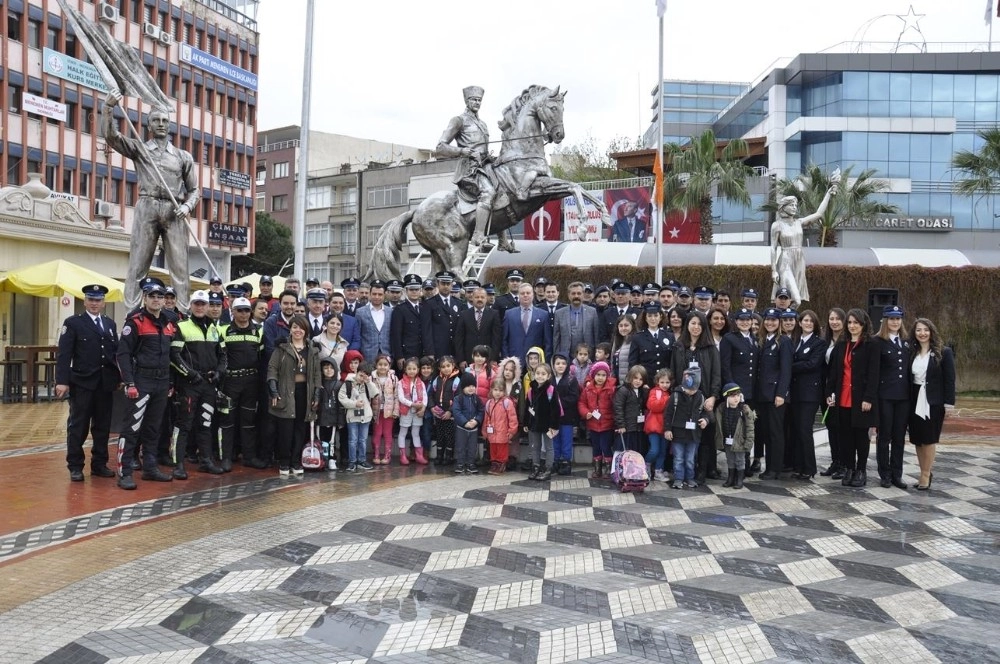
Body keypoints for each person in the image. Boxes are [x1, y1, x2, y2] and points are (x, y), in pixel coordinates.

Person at [102, 90, 199, 310]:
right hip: (148, 206)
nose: (161, 124)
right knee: (138, 264)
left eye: (165, 120)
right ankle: (132, 313)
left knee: (180, 268)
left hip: (175, 209)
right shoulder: (140, 149)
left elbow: (194, 190)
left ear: (170, 124)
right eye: (156, 120)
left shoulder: (183, 156)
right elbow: (112, 137)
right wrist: (108, 109)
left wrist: (187, 205)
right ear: (149, 125)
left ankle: (182, 313)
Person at [115, 277, 177, 489]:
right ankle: (124, 472)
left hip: (162, 381)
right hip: (141, 381)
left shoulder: (169, 322)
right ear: (145, 297)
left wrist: (170, 382)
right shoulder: (136, 321)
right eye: (152, 296)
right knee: (132, 428)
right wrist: (129, 382)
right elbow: (123, 355)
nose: (157, 299)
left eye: (161, 296)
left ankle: (150, 467)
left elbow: (172, 355)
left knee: (153, 428)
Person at [56, 284, 120, 481]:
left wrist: (119, 378)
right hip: (82, 383)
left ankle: (99, 464)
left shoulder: (110, 324)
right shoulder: (74, 322)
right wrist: (62, 381)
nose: (94, 303)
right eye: (91, 300)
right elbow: (64, 355)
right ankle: (75, 466)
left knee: (102, 426)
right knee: (78, 426)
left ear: (103, 303)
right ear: (85, 302)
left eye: (98, 300)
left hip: (105, 384)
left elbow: (115, 354)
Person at [170, 289, 227, 476]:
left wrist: (219, 373)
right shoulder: (182, 326)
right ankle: (178, 464)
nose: (200, 307)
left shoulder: (214, 329)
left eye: (204, 304)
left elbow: (223, 356)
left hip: (209, 384)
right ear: (191, 306)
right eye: (197, 304)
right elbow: (174, 356)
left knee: (205, 423)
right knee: (183, 424)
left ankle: (206, 461)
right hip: (189, 384)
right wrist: (191, 374)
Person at [435, 85, 496, 246]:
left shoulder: (482, 124)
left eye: (479, 100)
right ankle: (478, 235)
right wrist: (464, 151)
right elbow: (440, 148)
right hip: (468, 170)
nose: (477, 102)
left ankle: (503, 240)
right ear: (466, 101)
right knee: (488, 192)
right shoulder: (459, 120)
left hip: (484, 167)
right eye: (474, 99)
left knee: (504, 190)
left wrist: (487, 156)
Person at [826, 308, 880, 488]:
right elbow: (833, 373)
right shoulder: (842, 345)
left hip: (861, 399)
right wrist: (829, 394)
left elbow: (874, 375)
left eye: (856, 323)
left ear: (863, 325)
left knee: (861, 437)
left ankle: (861, 470)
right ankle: (849, 468)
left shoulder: (871, 345)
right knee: (845, 436)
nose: (852, 326)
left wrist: (869, 398)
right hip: (842, 398)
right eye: (849, 322)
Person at [770, 170, 839, 307]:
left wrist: (828, 194)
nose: (795, 208)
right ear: (784, 207)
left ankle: (786, 322)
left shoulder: (799, 222)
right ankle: (784, 321)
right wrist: (773, 270)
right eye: (791, 205)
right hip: (785, 260)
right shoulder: (777, 225)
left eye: (796, 205)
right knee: (794, 299)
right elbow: (773, 248)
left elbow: (818, 214)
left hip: (799, 259)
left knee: (792, 299)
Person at [267, 316, 322, 475]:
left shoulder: (312, 349)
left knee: (300, 428)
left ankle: (296, 461)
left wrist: (317, 394)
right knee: (286, 429)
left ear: (306, 330)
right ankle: (284, 462)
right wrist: (273, 389)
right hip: (286, 392)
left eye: (301, 328)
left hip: (305, 393)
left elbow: (317, 374)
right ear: (290, 329)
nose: (298, 330)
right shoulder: (282, 348)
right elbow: (272, 369)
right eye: (294, 327)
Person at [908, 318, 955, 490]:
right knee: (918, 440)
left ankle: (926, 475)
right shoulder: (911, 352)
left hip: (933, 402)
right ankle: (923, 471)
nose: (922, 333)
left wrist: (949, 404)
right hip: (913, 400)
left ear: (932, 332)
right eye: (918, 330)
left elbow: (950, 380)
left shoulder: (944, 352)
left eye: (926, 330)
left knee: (929, 439)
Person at [218, 296, 263, 472]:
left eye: (246, 310)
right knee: (227, 421)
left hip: (251, 381)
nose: (243, 313)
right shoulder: (224, 330)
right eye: (240, 310)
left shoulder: (258, 331)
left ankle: (249, 457)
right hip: (230, 382)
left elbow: (260, 357)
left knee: (249, 421)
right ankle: (226, 458)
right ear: (233, 311)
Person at [875, 305, 911, 489]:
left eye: (898, 319)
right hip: (885, 396)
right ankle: (885, 474)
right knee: (884, 436)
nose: (895, 322)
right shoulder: (877, 341)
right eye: (891, 319)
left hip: (903, 397)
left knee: (899, 437)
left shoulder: (907, 342)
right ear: (885, 320)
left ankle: (897, 474)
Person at [754, 308, 792, 480]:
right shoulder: (762, 340)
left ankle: (775, 468)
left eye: (774, 320)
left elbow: (786, 370)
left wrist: (781, 394)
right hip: (762, 394)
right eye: (767, 320)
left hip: (775, 394)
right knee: (766, 431)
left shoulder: (783, 341)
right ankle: (768, 466)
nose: (770, 323)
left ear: (779, 322)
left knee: (776, 433)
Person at [788, 309, 826, 480]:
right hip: (795, 393)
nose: (808, 323)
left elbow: (812, 364)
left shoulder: (819, 343)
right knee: (796, 430)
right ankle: (798, 465)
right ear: (800, 322)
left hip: (810, 394)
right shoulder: (795, 341)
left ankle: (809, 468)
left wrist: (790, 366)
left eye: (811, 321)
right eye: (805, 320)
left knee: (805, 430)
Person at [665, 367, 711, 489]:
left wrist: (705, 420)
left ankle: (690, 478)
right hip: (678, 433)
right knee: (678, 458)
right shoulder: (675, 396)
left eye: (694, 389)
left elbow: (705, 413)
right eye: (688, 389)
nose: (691, 392)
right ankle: (678, 478)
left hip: (693, 435)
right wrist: (667, 429)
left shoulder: (701, 397)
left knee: (690, 459)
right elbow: (668, 414)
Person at [337, 360, 379, 472]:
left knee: (363, 439)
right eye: (360, 375)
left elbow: (375, 393)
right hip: (352, 416)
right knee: (352, 440)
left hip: (365, 416)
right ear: (356, 372)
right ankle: (352, 461)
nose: (362, 378)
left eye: (364, 376)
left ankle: (362, 460)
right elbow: (341, 397)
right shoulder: (348, 383)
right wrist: (354, 404)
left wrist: (368, 382)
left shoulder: (367, 384)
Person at [524, 363, 562, 481]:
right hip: (534, 424)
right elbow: (527, 407)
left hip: (548, 425)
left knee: (549, 447)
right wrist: (526, 422)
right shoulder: (531, 390)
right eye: (538, 373)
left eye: (543, 374)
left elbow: (556, 410)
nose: (540, 376)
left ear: (548, 376)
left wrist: (554, 426)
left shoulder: (551, 390)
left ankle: (548, 469)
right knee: (535, 446)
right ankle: (536, 467)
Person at [821, 308, 847, 478]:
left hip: (840, 391)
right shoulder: (826, 341)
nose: (834, 321)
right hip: (826, 390)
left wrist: (835, 392)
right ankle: (835, 461)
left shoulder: (845, 342)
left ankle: (844, 464)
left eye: (838, 318)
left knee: (841, 429)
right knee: (831, 428)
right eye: (831, 318)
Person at [579, 361, 616, 479]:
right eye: (598, 375)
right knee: (596, 447)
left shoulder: (611, 390)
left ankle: (608, 468)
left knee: (606, 446)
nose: (600, 378)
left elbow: (615, 405)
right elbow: (582, 403)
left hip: (607, 424)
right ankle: (597, 468)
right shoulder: (587, 389)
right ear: (593, 375)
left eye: (603, 375)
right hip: (593, 424)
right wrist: (586, 413)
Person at [715, 382, 756, 489]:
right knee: (730, 459)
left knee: (740, 460)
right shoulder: (721, 408)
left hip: (740, 441)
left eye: (738, 395)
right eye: (733, 396)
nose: (736, 398)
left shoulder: (744, 409)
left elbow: (750, 427)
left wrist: (748, 442)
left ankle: (739, 480)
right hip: (727, 440)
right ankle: (730, 478)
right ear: (726, 397)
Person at [502, 283, 552, 367]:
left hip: (536, 363)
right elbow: (504, 340)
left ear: (533, 295)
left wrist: (544, 363)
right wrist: (507, 360)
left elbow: (548, 342)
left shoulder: (543, 315)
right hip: (514, 362)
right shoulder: (509, 314)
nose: (525, 295)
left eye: (528, 293)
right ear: (519, 295)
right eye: (522, 293)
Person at [553, 282, 601, 360]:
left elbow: (596, 336)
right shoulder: (559, 313)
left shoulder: (592, 312)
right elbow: (556, 338)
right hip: (566, 356)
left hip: (587, 356)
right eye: (573, 293)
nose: (576, 296)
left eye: (579, 293)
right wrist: (557, 356)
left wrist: (596, 357)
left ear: (583, 294)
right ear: (569, 295)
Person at [628, 302, 672, 386]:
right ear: (645, 318)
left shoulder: (669, 336)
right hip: (646, 383)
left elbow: (672, 362)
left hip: (665, 383)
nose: (653, 319)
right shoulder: (638, 338)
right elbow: (633, 363)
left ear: (660, 317)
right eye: (650, 316)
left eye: (656, 315)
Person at [455, 287, 502, 367]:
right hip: (469, 358)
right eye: (477, 297)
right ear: (472, 298)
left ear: (486, 298)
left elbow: (496, 338)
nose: (479, 299)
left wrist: (493, 358)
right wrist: (461, 359)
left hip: (487, 358)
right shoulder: (464, 314)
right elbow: (459, 338)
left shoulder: (494, 314)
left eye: (482, 297)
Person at [390, 274, 427, 373]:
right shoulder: (400, 309)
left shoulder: (425, 308)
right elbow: (396, 335)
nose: (414, 292)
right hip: (407, 354)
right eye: (411, 289)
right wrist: (399, 356)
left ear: (420, 290)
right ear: (406, 291)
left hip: (423, 353)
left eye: (416, 289)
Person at [429, 356, 462, 466]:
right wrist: (432, 407)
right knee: (440, 435)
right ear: (439, 368)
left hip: (450, 416)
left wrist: (450, 411)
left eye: (448, 366)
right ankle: (439, 455)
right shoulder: (436, 380)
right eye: (443, 367)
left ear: (453, 366)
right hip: (438, 414)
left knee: (449, 436)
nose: (446, 369)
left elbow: (458, 398)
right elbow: (430, 395)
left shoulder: (457, 381)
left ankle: (449, 456)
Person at [421, 271, 461, 359]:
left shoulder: (458, 303)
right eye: (443, 283)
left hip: (455, 350)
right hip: (438, 350)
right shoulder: (429, 303)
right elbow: (426, 330)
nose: (446, 286)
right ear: (438, 284)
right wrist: (429, 352)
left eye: (448, 283)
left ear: (451, 285)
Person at [551, 354, 580, 476]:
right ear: (553, 365)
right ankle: (555, 460)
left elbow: (574, 397)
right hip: (553, 416)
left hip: (567, 416)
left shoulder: (571, 379)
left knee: (566, 439)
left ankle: (566, 462)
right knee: (554, 439)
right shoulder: (550, 379)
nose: (560, 366)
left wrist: (559, 403)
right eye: (558, 363)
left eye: (563, 363)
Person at [452, 372, 486, 474]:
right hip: (461, 428)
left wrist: (476, 421)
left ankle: (471, 463)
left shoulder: (477, 399)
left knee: (472, 447)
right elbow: (456, 412)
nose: (471, 388)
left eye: (473, 386)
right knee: (461, 446)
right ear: (463, 387)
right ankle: (460, 463)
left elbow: (481, 411)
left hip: (473, 428)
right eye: (468, 386)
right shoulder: (458, 399)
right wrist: (465, 422)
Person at [397, 358, 428, 465]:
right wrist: (412, 404)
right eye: (409, 368)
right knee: (403, 433)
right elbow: (401, 398)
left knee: (416, 433)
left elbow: (425, 396)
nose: (411, 371)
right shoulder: (401, 383)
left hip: (417, 411)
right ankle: (403, 456)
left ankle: (419, 455)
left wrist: (423, 408)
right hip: (406, 410)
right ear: (405, 369)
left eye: (414, 368)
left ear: (418, 370)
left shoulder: (421, 383)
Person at [614, 365, 649, 462]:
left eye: (641, 379)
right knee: (622, 450)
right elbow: (618, 408)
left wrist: (646, 392)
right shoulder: (623, 390)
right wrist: (621, 425)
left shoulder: (642, 391)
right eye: (635, 378)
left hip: (638, 427)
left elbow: (645, 405)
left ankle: (634, 472)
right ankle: (618, 471)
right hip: (626, 427)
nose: (638, 381)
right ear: (630, 377)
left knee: (636, 451)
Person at [483, 380, 519, 475]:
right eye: (495, 390)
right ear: (491, 390)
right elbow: (486, 418)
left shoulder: (507, 403)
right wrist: (485, 431)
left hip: (503, 432)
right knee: (493, 448)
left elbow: (512, 418)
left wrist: (511, 431)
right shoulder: (489, 403)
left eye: (500, 390)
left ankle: (501, 463)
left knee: (502, 449)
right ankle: (494, 463)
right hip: (492, 433)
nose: (498, 392)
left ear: (504, 391)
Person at [317, 358, 344, 472]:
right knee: (320, 439)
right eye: (326, 368)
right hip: (321, 418)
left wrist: (341, 421)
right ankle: (321, 459)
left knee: (332, 441)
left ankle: (332, 459)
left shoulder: (339, 385)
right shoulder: (319, 384)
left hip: (333, 418)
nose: (329, 370)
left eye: (331, 367)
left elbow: (341, 405)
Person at [371, 354, 399, 465]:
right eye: (380, 364)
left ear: (389, 366)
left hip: (389, 411)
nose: (382, 367)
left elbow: (396, 396)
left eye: (385, 365)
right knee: (377, 433)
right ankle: (376, 454)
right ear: (376, 365)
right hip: (376, 410)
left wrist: (396, 411)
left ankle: (387, 455)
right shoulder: (371, 378)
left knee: (387, 433)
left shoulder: (393, 378)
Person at [645, 369, 672, 482]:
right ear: (657, 382)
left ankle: (658, 470)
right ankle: (646, 465)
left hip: (664, 427)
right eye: (662, 382)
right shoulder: (654, 392)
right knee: (654, 450)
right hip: (654, 426)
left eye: (667, 382)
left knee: (662, 451)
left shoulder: (669, 394)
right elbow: (653, 406)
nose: (665, 385)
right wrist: (667, 400)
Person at [357, 280, 393, 363]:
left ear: (384, 295)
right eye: (374, 294)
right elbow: (358, 335)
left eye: (380, 294)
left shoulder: (390, 312)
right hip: (367, 356)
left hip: (386, 356)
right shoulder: (360, 312)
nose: (377, 297)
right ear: (370, 294)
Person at [610, 315, 639, 386]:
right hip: (618, 382)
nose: (623, 328)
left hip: (631, 382)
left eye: (626, 325)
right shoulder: (616, 340)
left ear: (632, 326)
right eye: (620, 326)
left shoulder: (636, 340)